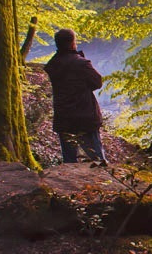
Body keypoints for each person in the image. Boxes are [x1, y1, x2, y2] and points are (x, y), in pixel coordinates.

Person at [44, 29, 107, 164]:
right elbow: (97, 82)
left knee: (70, 160)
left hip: (64, 117)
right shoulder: (81, 63)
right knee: (97, 159)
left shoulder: (52, 65)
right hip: (85, 117)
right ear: (73, 42)